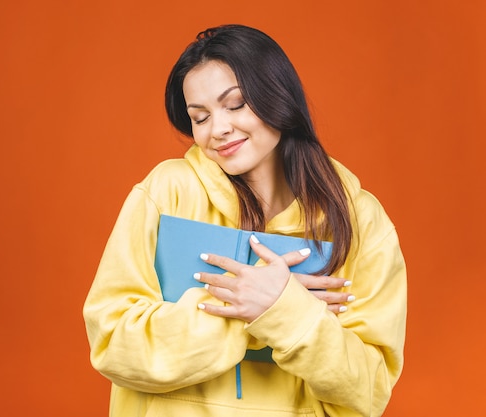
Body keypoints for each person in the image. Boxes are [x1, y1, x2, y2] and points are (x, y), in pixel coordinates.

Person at [83, 24, 407, 417]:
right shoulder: (167, 191)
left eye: (235, 105)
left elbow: (369, 390)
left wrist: (284, 311)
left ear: (278, 95)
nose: (217, 130)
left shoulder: (359, 219)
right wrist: (249, 309)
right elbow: (113, 344)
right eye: (199, 118)